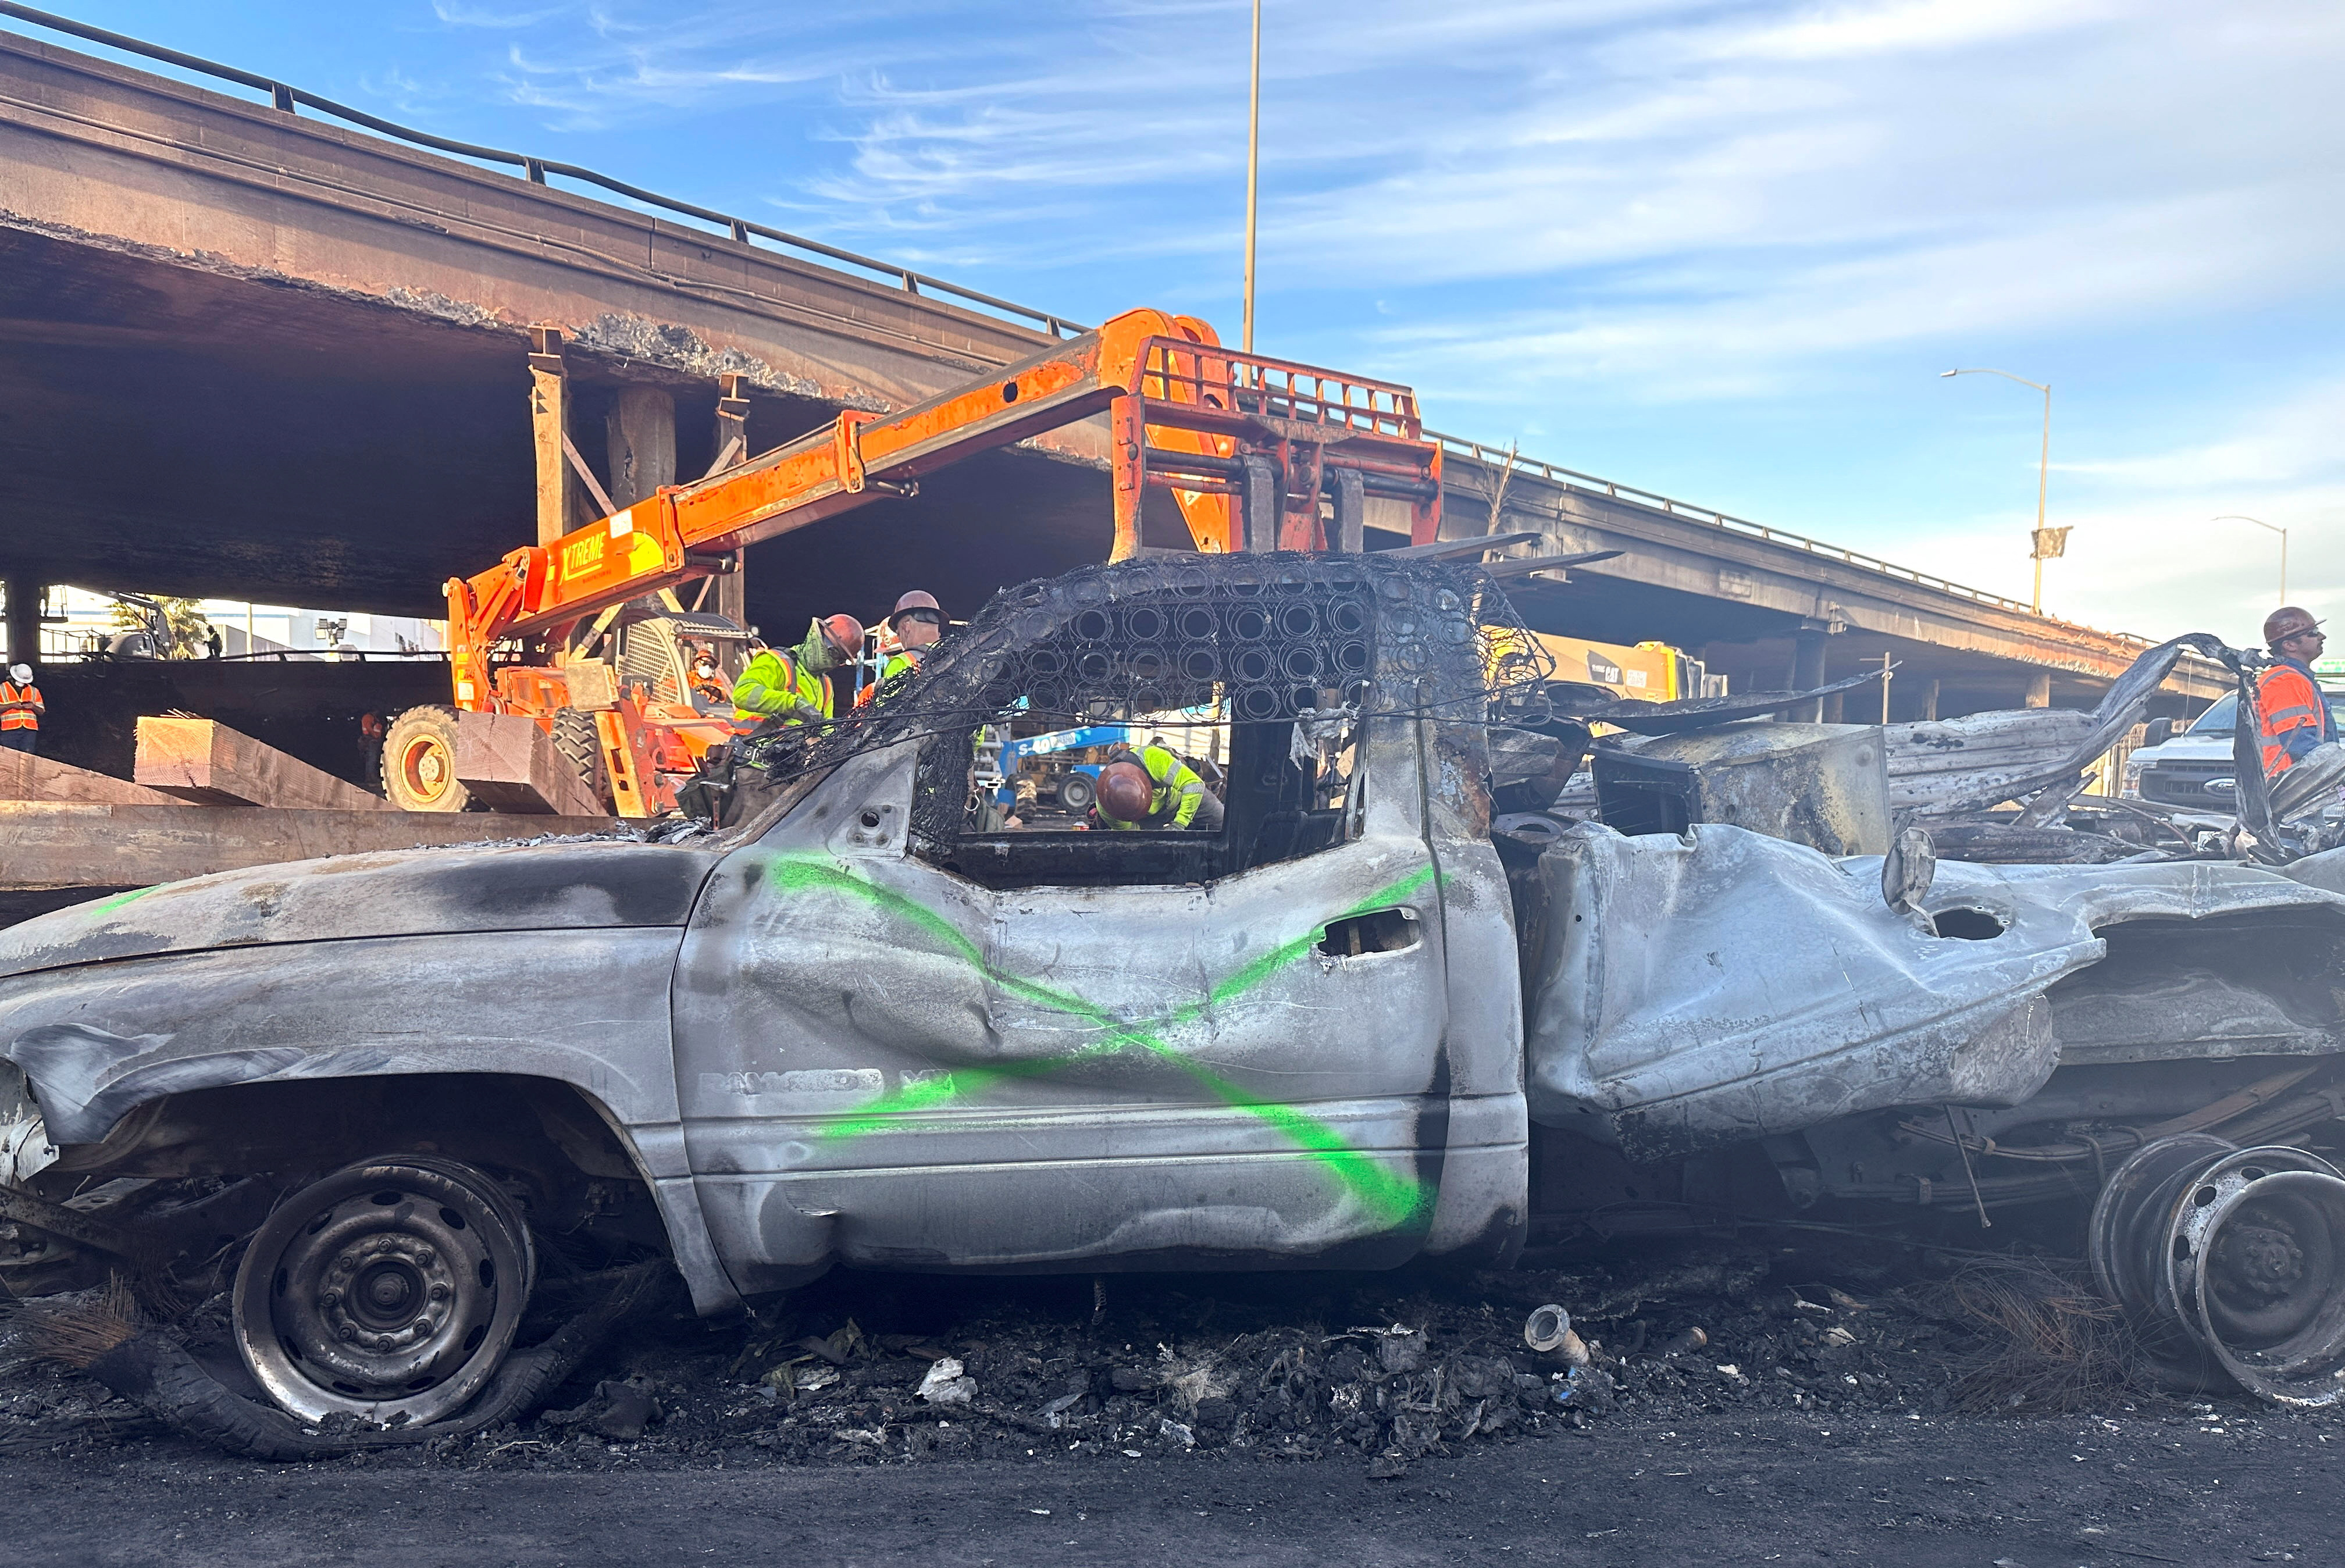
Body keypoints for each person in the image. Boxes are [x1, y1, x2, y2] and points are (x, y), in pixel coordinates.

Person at [733, 615, 863, 728]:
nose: (832, 660)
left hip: (793, 755)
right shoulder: (777, 662)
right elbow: (742, 694)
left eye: (840, 659)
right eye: (833, 652)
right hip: (753, 751)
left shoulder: (826, 686)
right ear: (818, 636)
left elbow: (826, 728)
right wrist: (793, 703)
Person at [2260, 607, 2332, 779]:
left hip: (2300, 783)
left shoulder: (2299, 679)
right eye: (2313, 633)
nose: (2322, 637)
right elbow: (2300, 744)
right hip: (2290, 786)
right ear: (2289, 645)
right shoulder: (2285, 681)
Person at [1091, 742, 1224, 831]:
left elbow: (1194, 785)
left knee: (1223, 826)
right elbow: (1132, 835)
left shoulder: (1154, 759)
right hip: (1148, 821)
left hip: (1182, 798)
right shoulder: (1109, 810)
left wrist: (1180, 823)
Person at [882, 590, 945, 682]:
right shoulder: (955, 655)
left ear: (906, 626)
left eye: (899, 633)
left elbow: (890, 696)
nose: (899, 639)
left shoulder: (901, 662)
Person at [0, 664, 42, 755]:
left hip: (29, 730)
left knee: (27, 757)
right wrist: (12, 705)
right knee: (10, 757)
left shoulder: (34, 691)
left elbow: (42, 711)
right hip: (9, 729)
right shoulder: (2, 689)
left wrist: (33, 707)